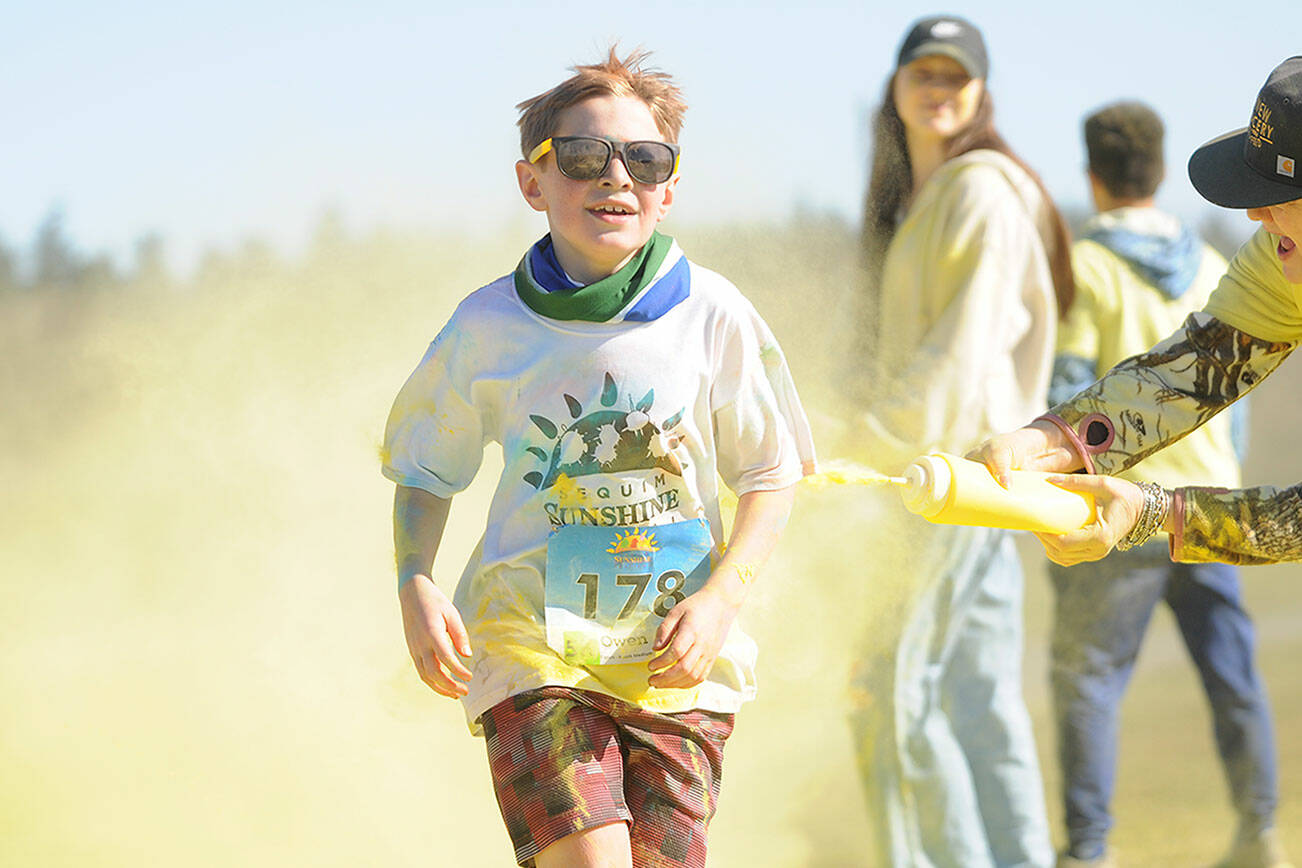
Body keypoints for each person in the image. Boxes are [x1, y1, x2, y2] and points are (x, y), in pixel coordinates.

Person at [381, 48, 815, 868]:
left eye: (644, 160)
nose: (616, 178)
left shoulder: (714, 313)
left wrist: (721, 601)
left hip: (676, 662)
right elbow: (422, 470)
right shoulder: (486, 326)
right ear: (532, 183)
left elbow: (772, 474)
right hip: (530, 646)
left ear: (670, 187)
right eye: (583, 157)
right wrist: (415, 580)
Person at [972, 57, 1302, 868]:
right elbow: (1194, 370)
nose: (1256, 212)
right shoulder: (1285, 258)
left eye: (1282, 192)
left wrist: (1158, 513)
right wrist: (1052, 441)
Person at [844, 15, 1073, 867]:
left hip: (949, 480)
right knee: (978, 703)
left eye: (956, 76)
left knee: (894, 701)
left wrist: (867, 441)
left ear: (982, 93)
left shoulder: (978, 189)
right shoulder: (934, 194)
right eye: (923, 74)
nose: (939, 89)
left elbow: (960, 361)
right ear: (896, 90)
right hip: (976, 485)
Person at [1045, 101, 1281, 868]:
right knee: (1233, 678)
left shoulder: (1083, 262)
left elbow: (1072, 374)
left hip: (1126, 503)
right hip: (1204, 492)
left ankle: (1088, 851)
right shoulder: (1244, 258)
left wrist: (1075, 471)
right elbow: (1210, 383)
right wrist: (1058, 438)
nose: (1260, 217)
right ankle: (1260, 832)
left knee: (1087, 679)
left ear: (1092, 173)